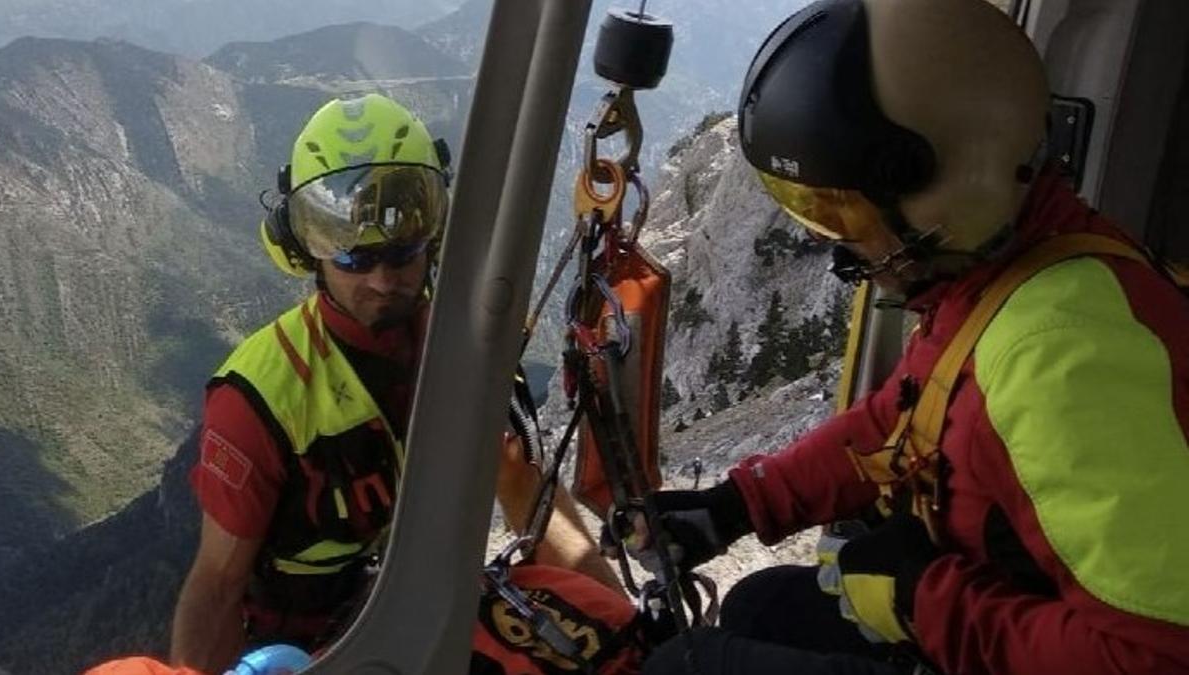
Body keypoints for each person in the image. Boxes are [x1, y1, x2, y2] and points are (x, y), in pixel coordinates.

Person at [638, 0, 1189, 674]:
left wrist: (923, 600)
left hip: (1000, 630)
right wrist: (737, 505)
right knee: (761, 604)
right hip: (1000, 605)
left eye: (840, 209)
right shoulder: (1000, 278)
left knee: (681, 667)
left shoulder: (1065, 356)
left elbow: (1157, 658)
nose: (829, 241)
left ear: (941, 190)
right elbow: (905, 419)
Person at [169, 93, 628, 674]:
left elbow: (525, 493)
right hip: (309, 649)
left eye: (403, 252)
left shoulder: (464, 345)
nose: (385, 280)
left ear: (432, 238)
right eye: (356, 260)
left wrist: (630, 635)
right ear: (305, 250)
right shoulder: (259, 398)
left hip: (424, 607)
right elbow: (216, 585)